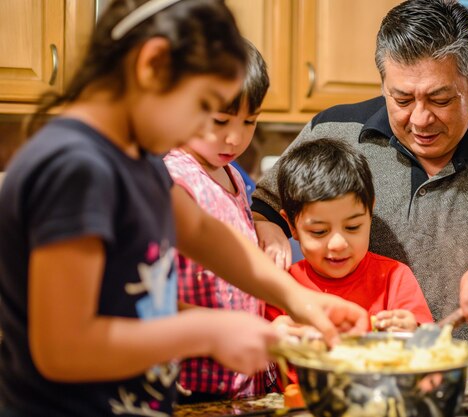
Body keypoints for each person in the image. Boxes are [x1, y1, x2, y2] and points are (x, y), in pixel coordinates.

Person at [0, 1, 367, 416]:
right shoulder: (76, 168)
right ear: (153, 64)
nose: (200, 129)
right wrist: (207, 331)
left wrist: (300, 300)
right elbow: (63, 348)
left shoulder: (137, 159)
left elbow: (202, 232)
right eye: (202, 105)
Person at [251, 0, 468, 371]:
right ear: (383, 82)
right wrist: (270, 228)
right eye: (402, 99)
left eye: (440, 99)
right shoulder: (331, 131)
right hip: (357, 382)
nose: (421, 119)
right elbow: (262, 208)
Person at [163, 40, 275, 402]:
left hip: (242, 385)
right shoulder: (172, 176)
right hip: (192, 384)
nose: (236, 137)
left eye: (250, 121)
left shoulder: (235, 177)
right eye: (221, 121)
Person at [266, 139, 433, 333]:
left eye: (353, 227)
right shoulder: (280, 286)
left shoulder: (395, 277)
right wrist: (272, 338)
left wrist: (413, 332)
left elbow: (430, 345)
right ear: (291, 225)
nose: (338, 244)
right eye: (319, 232)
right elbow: (258, 359)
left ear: (370, 212)